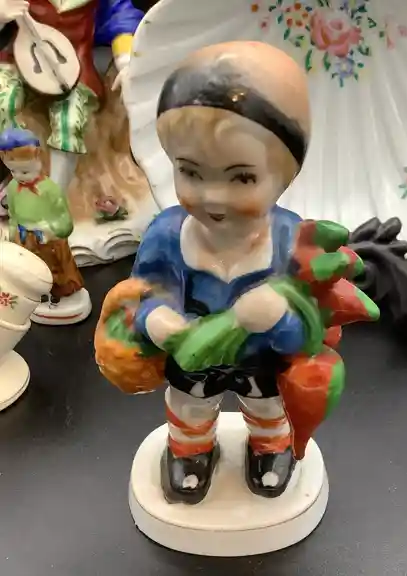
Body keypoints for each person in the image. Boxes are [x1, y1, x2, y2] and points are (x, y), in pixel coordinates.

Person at [95, 41, 380, 504]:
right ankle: (190, 452)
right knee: (189, 409)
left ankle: (270, 449)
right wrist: (156, 319)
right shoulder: (167, 234)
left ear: (284, 175)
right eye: (191, 173)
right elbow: (146, 291)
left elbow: (306, 333)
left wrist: (278, 317)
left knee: (268, 410)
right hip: (192, 359)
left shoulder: (291, 241)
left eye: (242, 178)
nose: (213, 196)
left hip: (259, 361)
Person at [0, 0, 143, 194]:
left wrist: (126, 62)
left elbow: (121, 17)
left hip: (74, 69)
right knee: (4, 101)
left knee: (71, 121)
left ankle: (55, 196)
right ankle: (13, 178)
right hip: (19, 60)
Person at [0, 126, 90, 320]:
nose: (19, 176)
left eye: (25, 170)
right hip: (25, 240)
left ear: (38, 158)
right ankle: (40, 295)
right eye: (13, 171)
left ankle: (60, 296)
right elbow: (13, 214)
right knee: (32, 272)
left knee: (56, 272)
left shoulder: (50, 190)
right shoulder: (13, 188)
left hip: (49, 240)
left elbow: (65, 220)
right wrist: (14, 232)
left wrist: (49, 230)